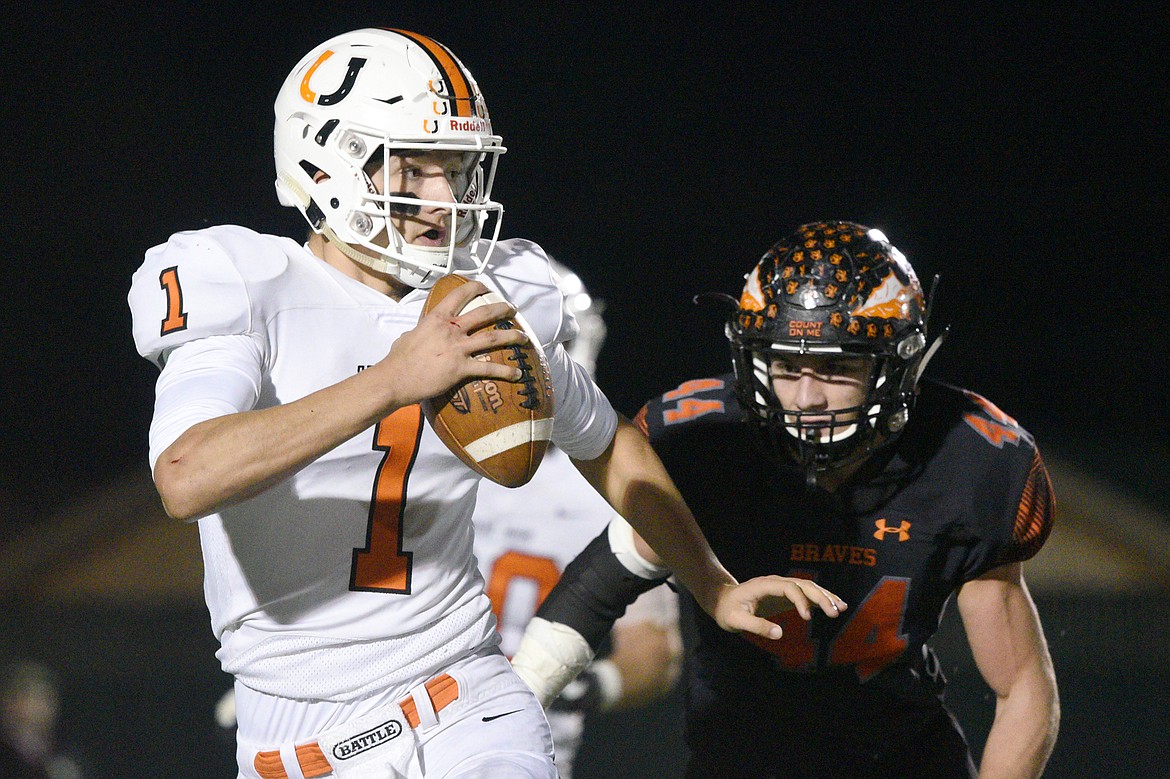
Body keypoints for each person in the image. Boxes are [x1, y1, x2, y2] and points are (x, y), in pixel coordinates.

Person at [127, 29, 844, 779]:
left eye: (457, 168)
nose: (442, 198)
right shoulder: (245, 284)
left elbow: (607, 440)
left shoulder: (489, 292)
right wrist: (393, 379)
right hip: (290, 747)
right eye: (413, 166)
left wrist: (713, 582)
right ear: (322, 160)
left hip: (465, 701)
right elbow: (186, 473)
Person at [511, 221, 1060, 778]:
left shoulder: (969, 458)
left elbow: (1020, 689)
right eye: (786, 366)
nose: (806, 399)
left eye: (838, 367)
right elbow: (598, 584)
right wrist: (504, 717)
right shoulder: (704, 445)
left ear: (899, 365)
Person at [472, 260, 681, 778]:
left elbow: (654, 653)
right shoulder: (423, 462)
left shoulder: (608, 485)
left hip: (518, 751)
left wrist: (583, 687)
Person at [0, 660, 84, 779]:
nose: (45, 708)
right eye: (37, 698)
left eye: (48, 699)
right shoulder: (7, 757)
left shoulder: (59, 756)